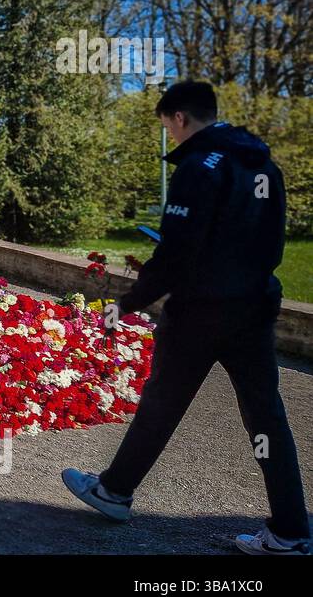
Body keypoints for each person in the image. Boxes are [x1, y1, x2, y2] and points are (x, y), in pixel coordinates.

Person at [62, 80, 309, 555]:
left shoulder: (200, 166)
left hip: (200, 311)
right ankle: (291, 530)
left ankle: (114, 491)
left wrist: (129, 303)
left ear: (179, 118)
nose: (171, 137)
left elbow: (177, 252)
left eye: (167, 127)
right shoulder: (264, 166)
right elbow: (271, 244)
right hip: (253, 307)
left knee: (162, 402)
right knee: (266, 417)